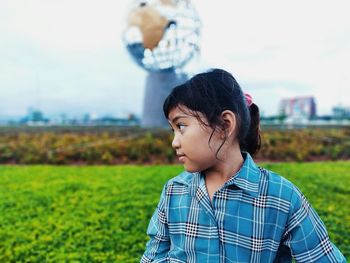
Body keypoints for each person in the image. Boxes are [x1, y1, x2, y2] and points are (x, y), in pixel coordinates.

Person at [141, 69, 346, 262]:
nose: (174, 142)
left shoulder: (281, 197)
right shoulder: (173, 192)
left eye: (181, 126)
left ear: (225, 125)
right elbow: (153, 256)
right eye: (173, 130)